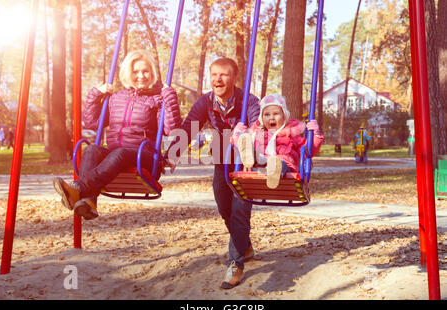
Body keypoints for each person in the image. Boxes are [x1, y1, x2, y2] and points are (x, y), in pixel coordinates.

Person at [53, 49, 181, 220]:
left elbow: (172, 130)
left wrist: (170, 98)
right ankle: (89, 202)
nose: (141, 76)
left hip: (146, 157)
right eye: (135, 71)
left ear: (152, 73)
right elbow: (92, 123)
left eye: (145, 71)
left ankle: (78, 188)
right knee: (91, 150)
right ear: (128, 73)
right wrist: (95, 95)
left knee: (120, 153)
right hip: (117, 155)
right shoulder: (115, 98)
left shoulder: (159, 99)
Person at [166, 57, 260, 289]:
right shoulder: (206, 102)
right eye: (214, 74)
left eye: (224, 74)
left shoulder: (248, 99)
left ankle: (235, 263)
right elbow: (189, 127)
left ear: (234, 78)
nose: (218, 79)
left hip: (244, 160)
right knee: (223, 207)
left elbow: (258, 128)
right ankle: (244, 245)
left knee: (240, 209)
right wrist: (172, 153)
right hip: (221, 157)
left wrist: (246, 136)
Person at [232, 93, 324, 189]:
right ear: (262, 118)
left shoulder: (291, 134)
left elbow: (307, 150)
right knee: (253, 149)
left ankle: (273, 171)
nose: (271, 117)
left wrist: (316, 134)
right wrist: (237, 134)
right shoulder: (258, 134)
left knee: (279, 163)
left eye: (276, 114)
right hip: (260, 166)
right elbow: (239, 147)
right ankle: (249, 158)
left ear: (284, 116)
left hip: (285, 169)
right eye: (267, 114)